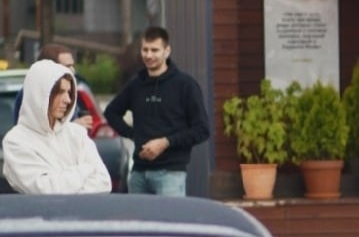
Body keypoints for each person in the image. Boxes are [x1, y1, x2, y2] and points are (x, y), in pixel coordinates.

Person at [104, 27, 209, 195]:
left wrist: (166, 142)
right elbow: (111, 113)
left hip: (170, 175)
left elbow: (202, 130)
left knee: (170, 222)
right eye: (145, 49)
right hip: (138, 173)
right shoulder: (136, 84)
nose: (149, 55)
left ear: (167, 51)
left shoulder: (185, 85)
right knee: (137, 222)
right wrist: (134, 134)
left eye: (155, 50)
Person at [1, 59, 112, 195]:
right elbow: (48, 190)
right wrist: (86, 169)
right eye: (60, 92)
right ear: (40, 95)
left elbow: (104, 183)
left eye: (69, 92)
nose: (68, 99)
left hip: (83, 215)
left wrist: (64, 181)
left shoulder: (76, 133)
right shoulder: (15, 141)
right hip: (39, 216)